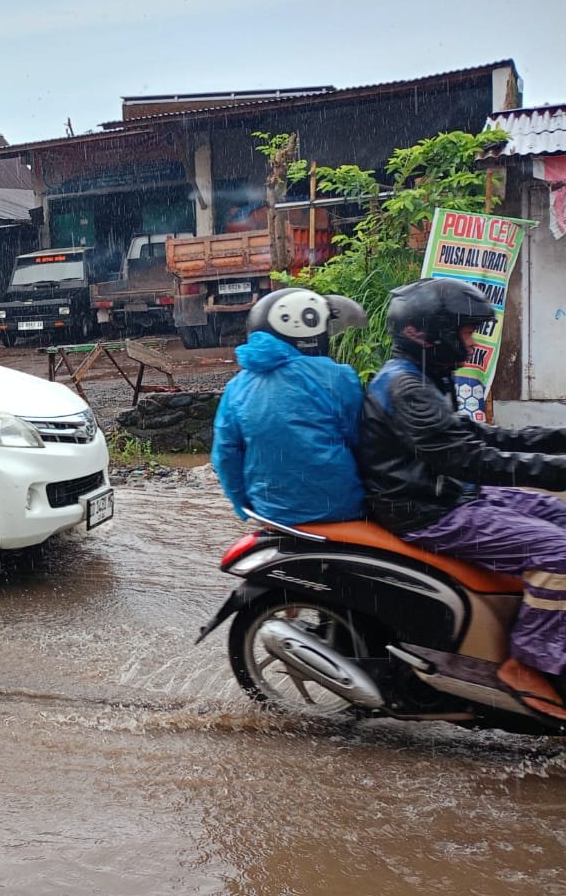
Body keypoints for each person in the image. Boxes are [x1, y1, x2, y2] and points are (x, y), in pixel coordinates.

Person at [357, 277, 566, 719]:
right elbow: (468, 459)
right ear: (426, 333)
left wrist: (559, 439)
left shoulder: (425, 378)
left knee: (560, 517)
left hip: (456, 495)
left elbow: (482, 435)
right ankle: (527, 661)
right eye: (466, 333)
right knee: (560, 551)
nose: (471, 344)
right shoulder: (407, 389)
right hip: (430, 512)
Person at [212, 287, 368, 525]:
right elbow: (363, 442)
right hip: (342, 510)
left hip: (271, 515)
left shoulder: (236, 388)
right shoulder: (337, 377)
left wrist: (245, 507)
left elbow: (225, 456)